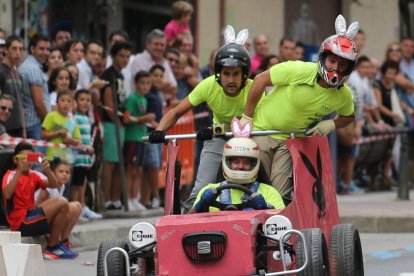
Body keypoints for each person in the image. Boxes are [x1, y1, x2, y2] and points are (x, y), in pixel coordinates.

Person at [241, 15, 357, 202]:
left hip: (291, 140)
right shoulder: (299, 69)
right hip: (262, 130)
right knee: (253, 186)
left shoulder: (343, 95)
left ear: (349, 69)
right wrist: (246, 117)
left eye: (342, 64)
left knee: (279, 194)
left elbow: (348, 116)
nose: (336, 68)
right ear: (323, 58)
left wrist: (330, 124)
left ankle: (276, 229)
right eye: (332, 61)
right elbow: (261, 79)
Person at [149, 36, 253, 210]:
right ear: (219, 74)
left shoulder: (253, 88)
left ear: (244, 75)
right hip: (218, 136)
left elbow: (266, 120)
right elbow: (175, 112)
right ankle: (184, 228)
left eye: (236, 74)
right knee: (200, 189)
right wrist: (159, 130)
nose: (231, 80)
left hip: (251, 137)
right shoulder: (208, 85)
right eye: (226, 74)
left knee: (263, 184)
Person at [2, 142, 77, 259]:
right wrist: (19, 172)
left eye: (30, 158)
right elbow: (6, 195)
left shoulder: (34, 174)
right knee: (61, 202)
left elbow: (54, 185)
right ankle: (52, 247)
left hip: (31, 216)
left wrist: (47, 170)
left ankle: (61, 243)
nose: (27, 161)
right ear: (15, 160)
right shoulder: (10, 174)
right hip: (20, 222)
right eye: (23, 158)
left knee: (75, 206)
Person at [190, 137, 285, 213]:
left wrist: (266, 208)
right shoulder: (210, 190)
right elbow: (189, 222)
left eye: (246, 163)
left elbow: (282, 224)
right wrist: (200, 205)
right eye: (236, 162)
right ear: (227, 163)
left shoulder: (269, 192)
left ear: (254, 164)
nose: (241, 166)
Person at [100, 41, 132, 210]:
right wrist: (117, 121)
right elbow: (108, 101)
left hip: (120, 124)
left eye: (127, 56)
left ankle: (115, 199)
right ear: (113, 56)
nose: (125, 60)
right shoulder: (109, 74)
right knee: (109, 163)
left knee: (118, 162)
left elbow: (120, 100)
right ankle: (105, 200)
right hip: (111, 124)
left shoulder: (121, 75)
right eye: (121, 56)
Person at [123, 71, 156, 211]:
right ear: (136, 84)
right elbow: (126, 118)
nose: (145, 86)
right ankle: (128, 199)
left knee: (138, 170)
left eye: (148, 83)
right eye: (142, 83)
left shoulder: (144, 99)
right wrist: (145, 118)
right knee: (131, 169)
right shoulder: (132, 98)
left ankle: (135, 198)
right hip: (132, 139)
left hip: (142, 138)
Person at [34, 158, 81, 251]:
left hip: (52, 217)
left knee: (77, 206)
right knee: (67, 205)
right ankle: (55, 242)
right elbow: (37, 206)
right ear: (53, 172)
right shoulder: (49, 186)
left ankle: (64, 241)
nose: (64, 174)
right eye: (61, 171)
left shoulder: (62, 186)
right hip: (39, 218)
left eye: (67, 172)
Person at [71, 89, 102, 220]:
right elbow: (73, 137)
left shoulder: (85, 118)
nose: (85, 103)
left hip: (85, 159)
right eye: (82, 100)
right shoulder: (74, 118)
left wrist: (89, 148)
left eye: (88, 100)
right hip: (77, 158)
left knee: (82, 183)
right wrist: (83, 147)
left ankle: (81, 208)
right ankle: (74, 211)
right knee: (76, 186)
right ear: (75, 102)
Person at [18, 33, 51, 140]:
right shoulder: (34, 69)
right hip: (36, 124)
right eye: (41, 49)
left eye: (47, 49)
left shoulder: (25, 65)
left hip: (28, 124)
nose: (45, 53)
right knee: (39, 157)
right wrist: (48, 124)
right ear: (32, 49)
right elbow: (39, 103)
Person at [41, 90, 81, 162]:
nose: (66, 103)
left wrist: (70, 140)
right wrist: (58, 133)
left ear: (72, 104)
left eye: (69, 101)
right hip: (51, 157)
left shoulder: (73, 121)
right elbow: (43, 135)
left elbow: (78, 141)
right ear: (57, 103)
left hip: (67, 158)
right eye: (62, 100)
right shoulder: (51, 116)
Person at [0, 35, 25, 138]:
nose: (18, 52)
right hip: (4, 129)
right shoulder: (1, 71)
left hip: (18, 127)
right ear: (5, 49)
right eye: (14, 48)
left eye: (21, 49)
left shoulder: (18, 74)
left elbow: (21, 104)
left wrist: (24, 131)